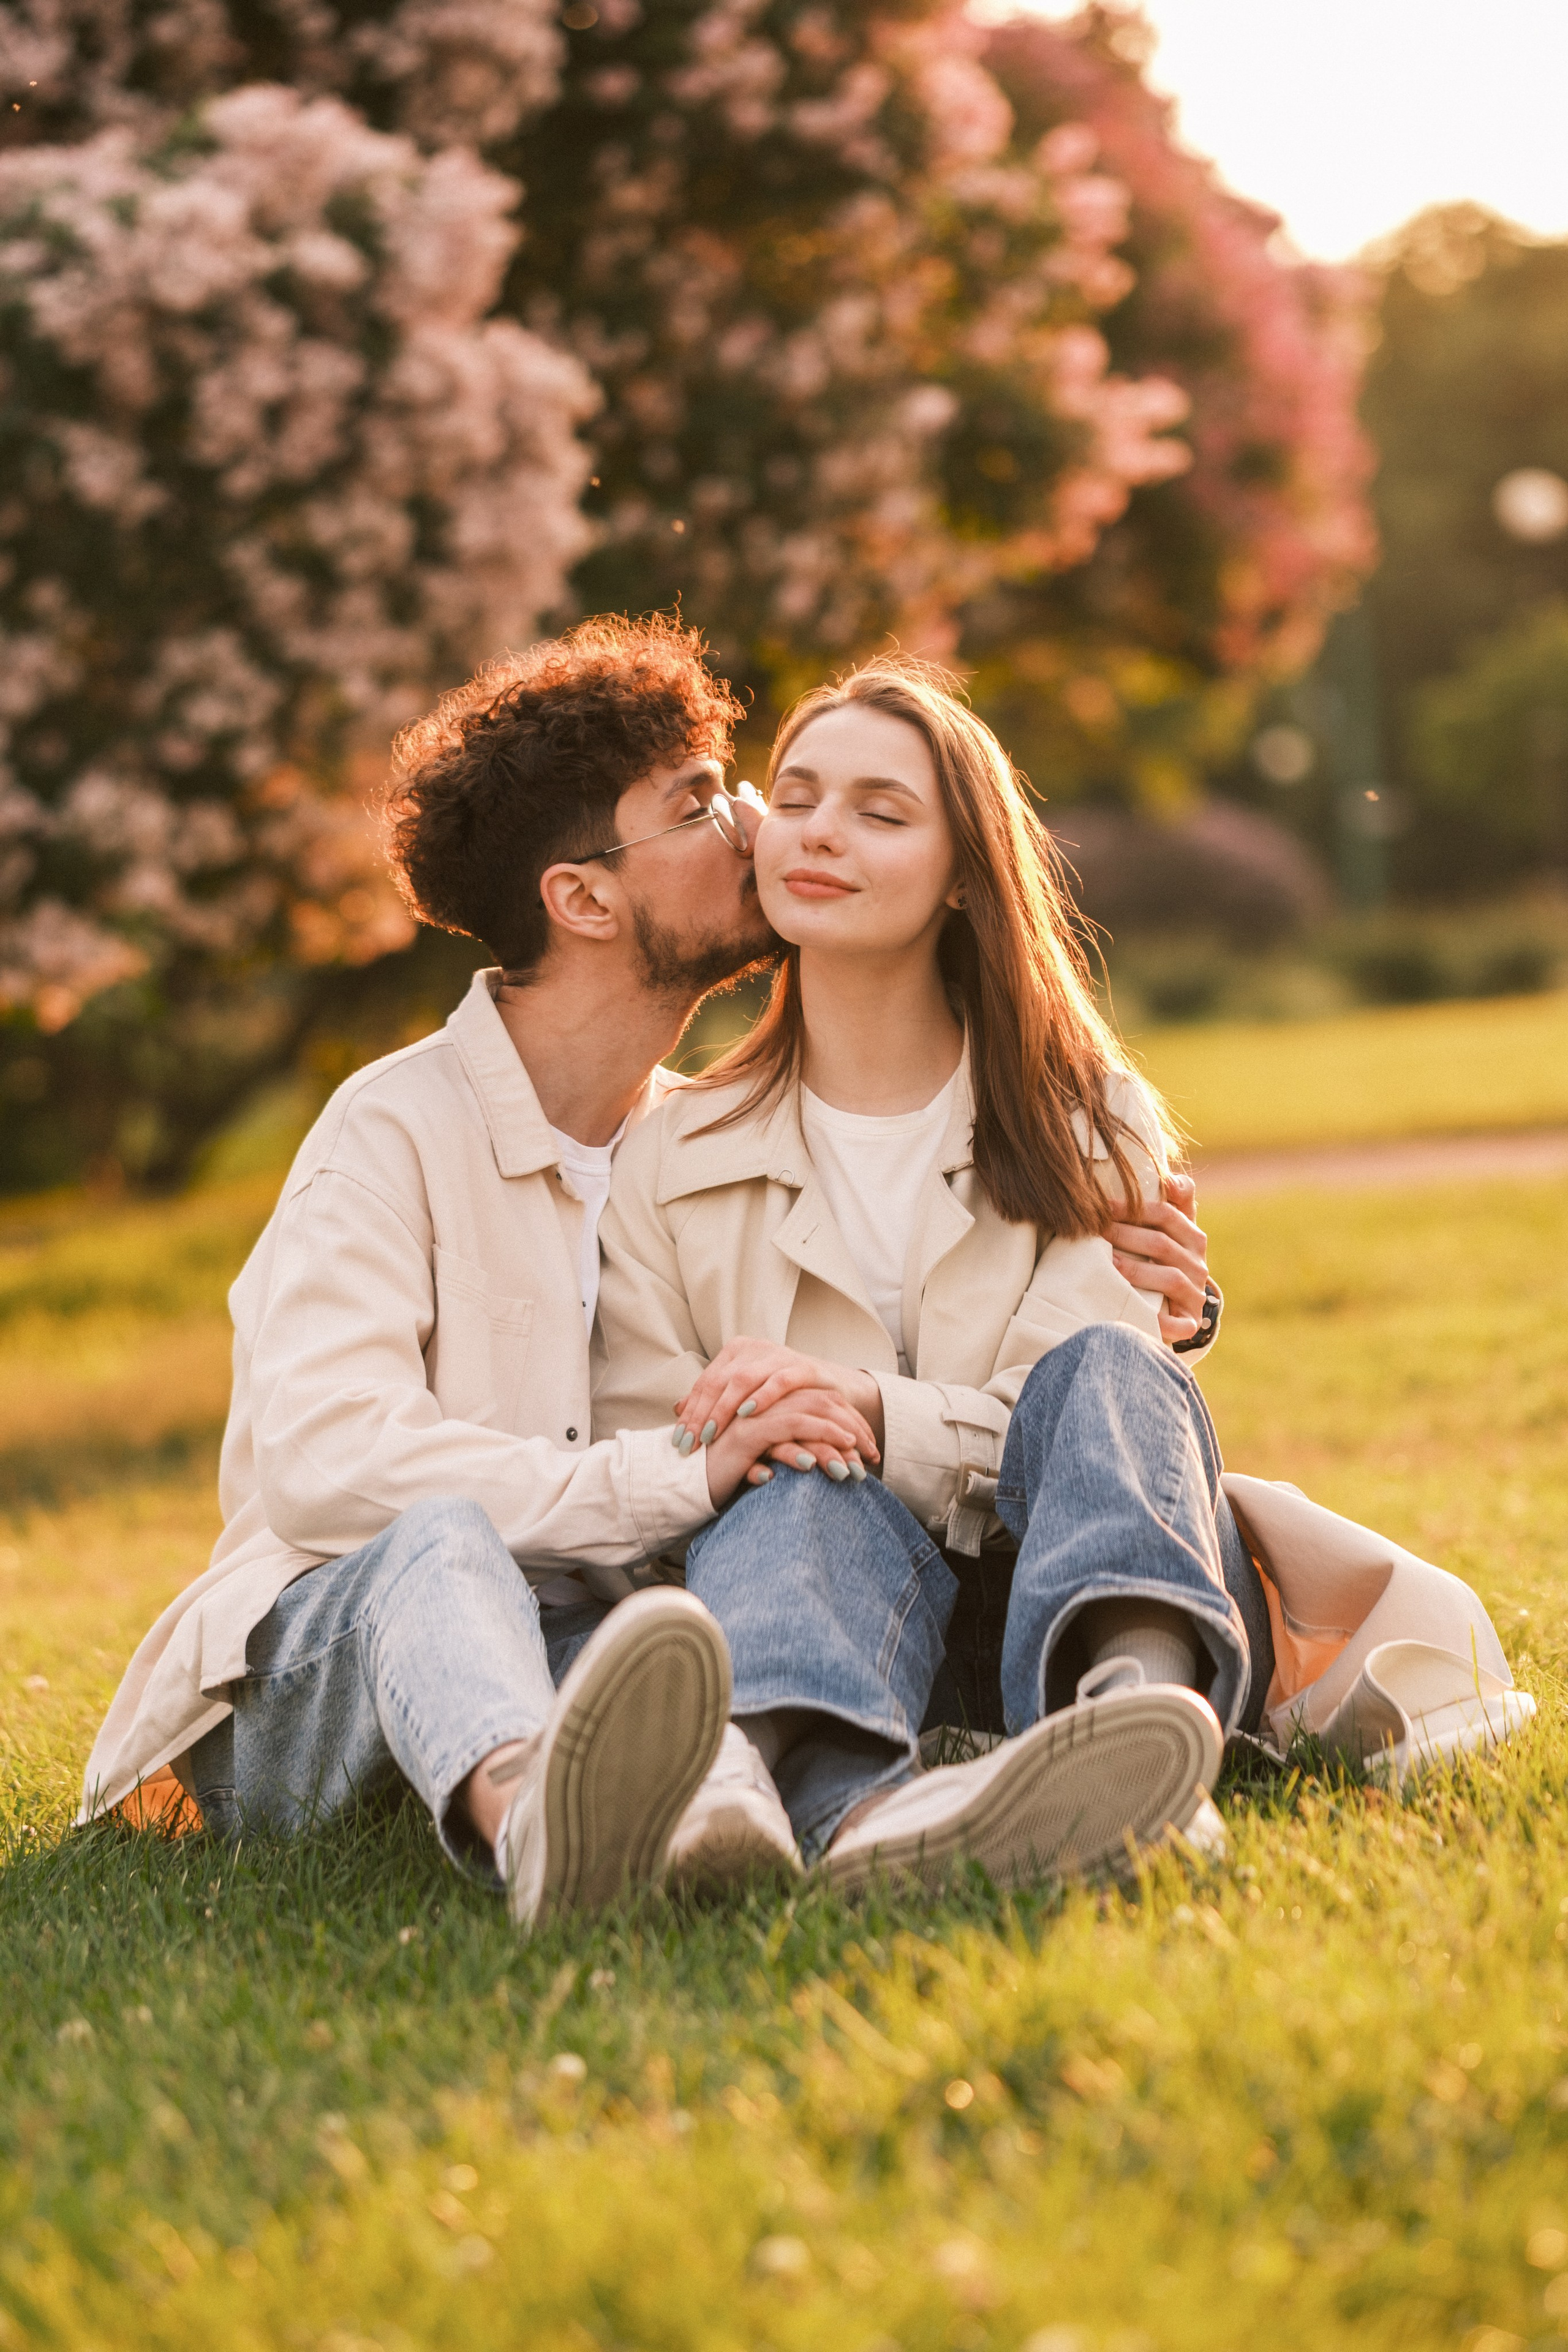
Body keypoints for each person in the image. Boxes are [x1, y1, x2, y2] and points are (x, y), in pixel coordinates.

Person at [79, 616, 882, 1925]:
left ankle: (788, 1795)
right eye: (694, 805)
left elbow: (868, 1353)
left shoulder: (703, 1143)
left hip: (579, 1645)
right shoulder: (388, 1131)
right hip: (321, 1677)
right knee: (440, 1540)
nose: (751, 824)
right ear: (582, 897)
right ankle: (546, 1826)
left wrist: (1149, 1283)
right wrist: (659, 1480)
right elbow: (326, 1459)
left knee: (734, 1558)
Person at [592, 654, 1264, 1892]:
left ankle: (1133, 1738)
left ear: (963, 875)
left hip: (1055, 1603)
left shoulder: (1091, 1119)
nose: (819, 834)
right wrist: (758, 1442)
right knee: (787, 1483)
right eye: (792, 798)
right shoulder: (668, 1148)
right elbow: (640, 1455)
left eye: (879, 812)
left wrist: (857, 1409)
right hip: (807, 1622)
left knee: (1112, 1370)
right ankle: (804, 1796)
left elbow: (1062, 1428)